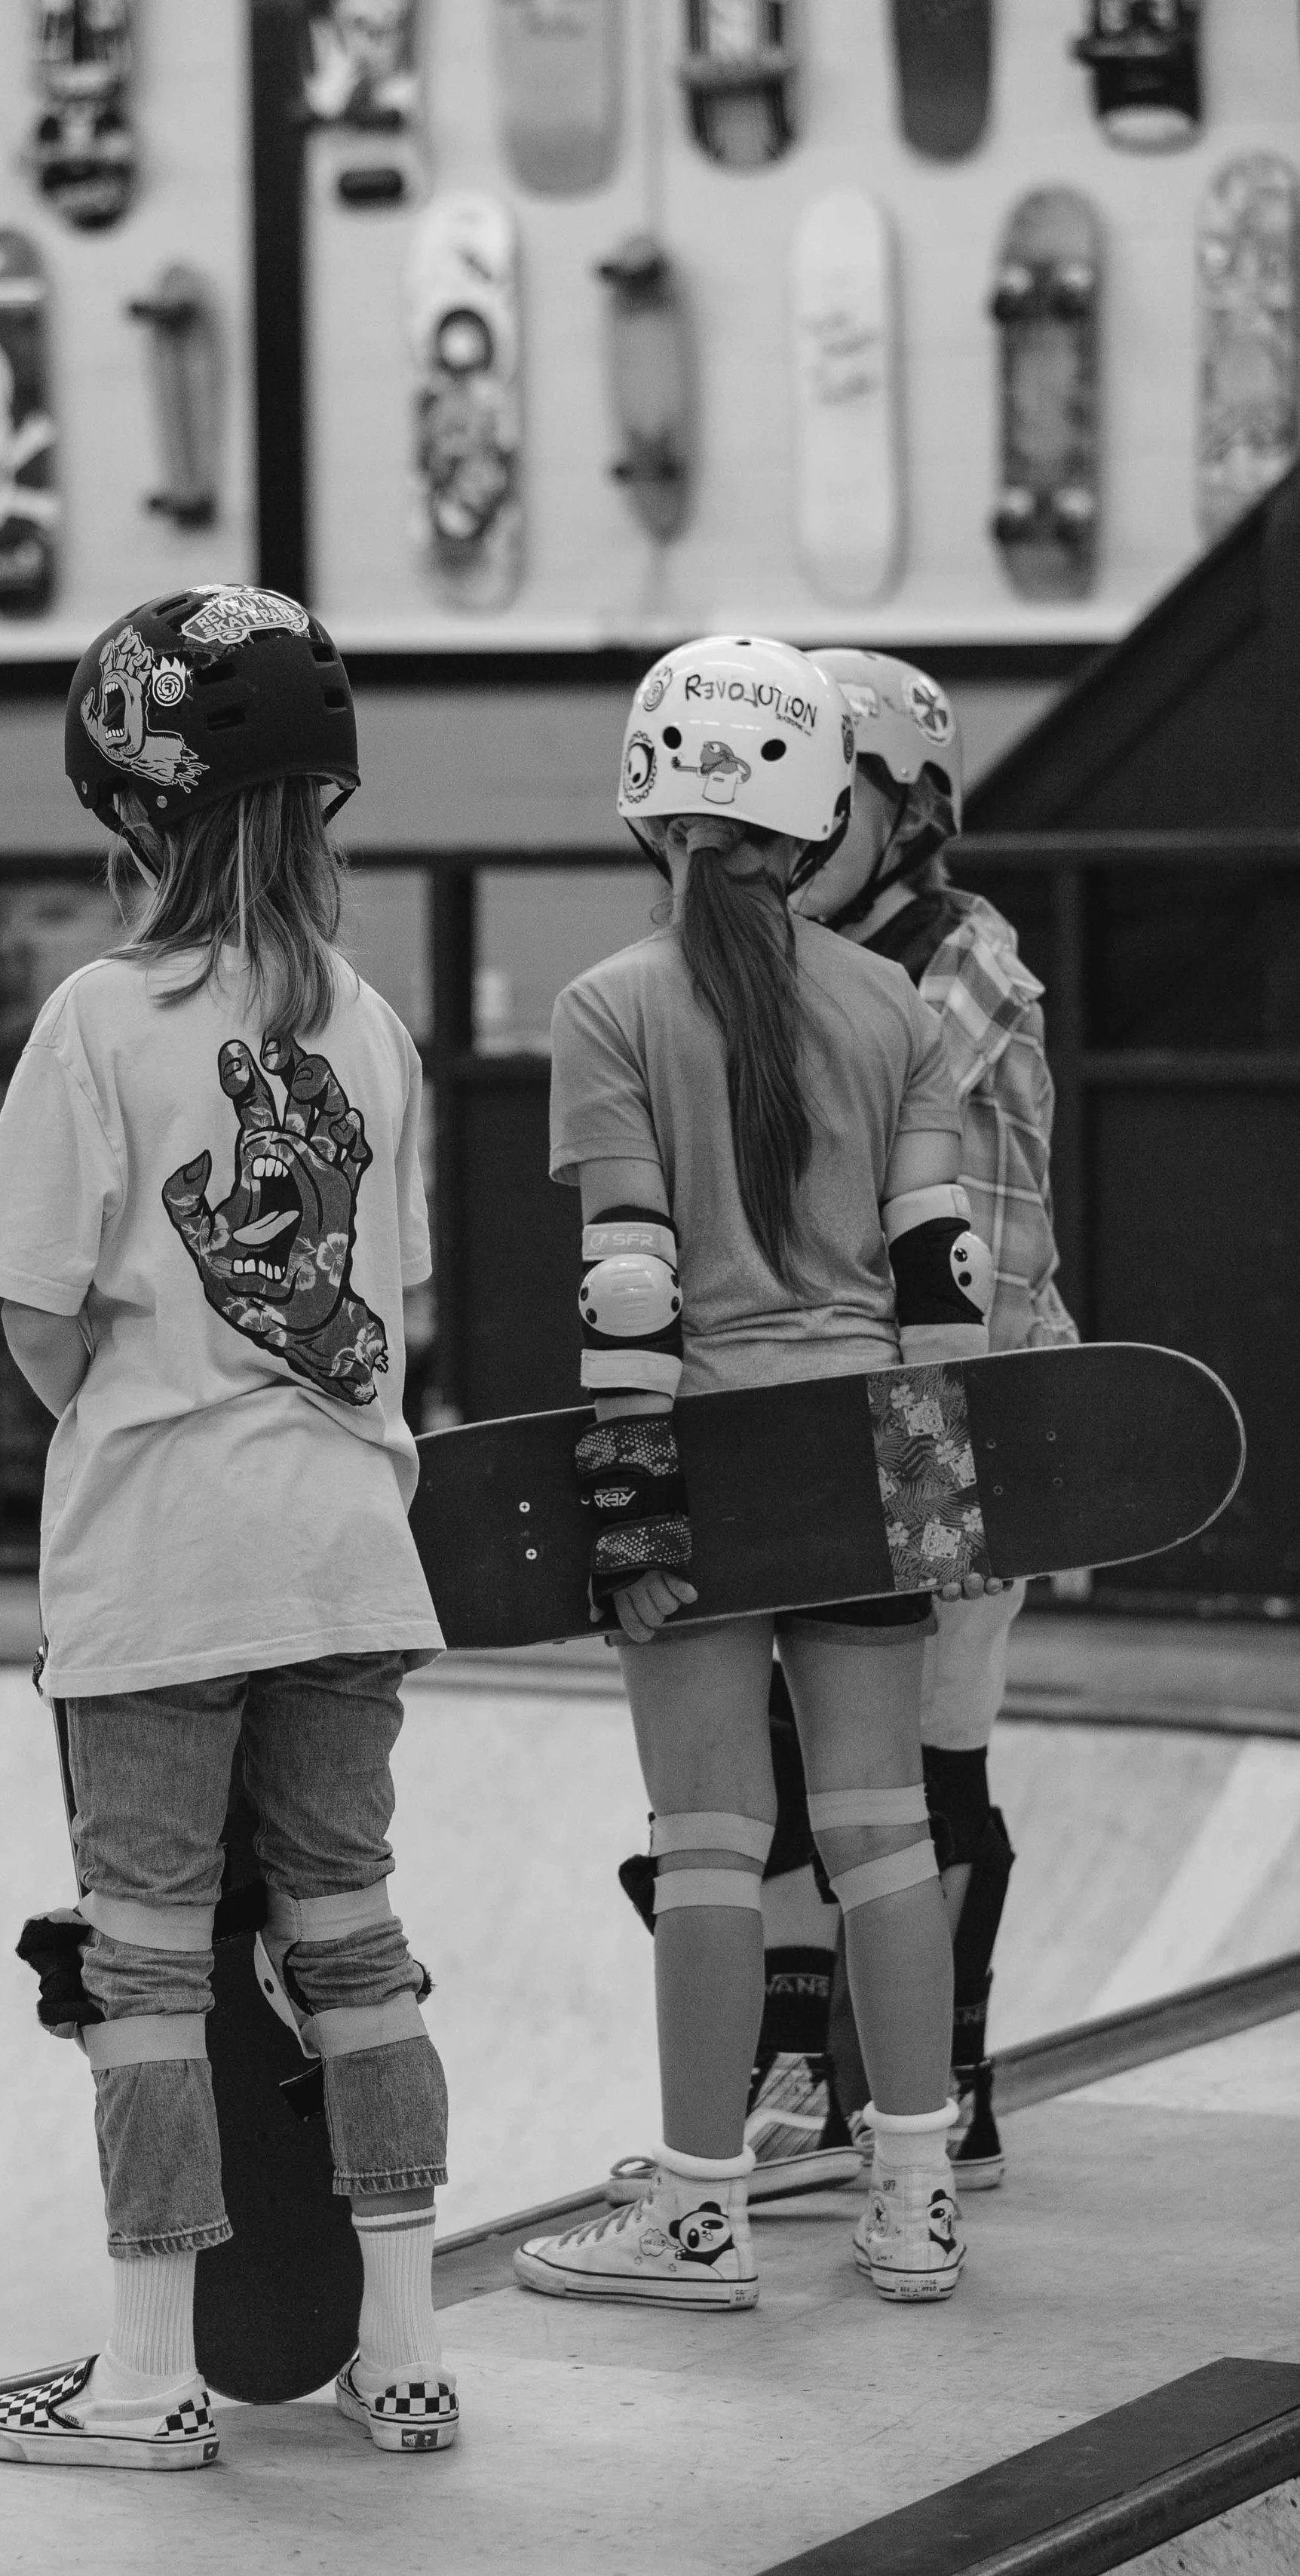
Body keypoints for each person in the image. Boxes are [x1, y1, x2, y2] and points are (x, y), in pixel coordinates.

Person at [0, 585, 455, 2470]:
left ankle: (148, 2379)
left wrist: (128, 1416)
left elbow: (30, 1309)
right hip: (345, 1548)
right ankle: (401, 2346)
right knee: (353, 1939)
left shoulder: (97, 1015)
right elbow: (387, 1303)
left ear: (134, 813)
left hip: (163, 1556)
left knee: (148, 1963)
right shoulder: (375, 1028)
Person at [514, 637, 995, 2313]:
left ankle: (701, 2214)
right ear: (810, 814)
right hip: (870, 1448)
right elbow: (941, 1276)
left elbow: (627, 1279)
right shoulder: (894, 1007)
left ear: (651, 805)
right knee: (879, 1831)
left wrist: (631, 1499)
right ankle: (916, 2201)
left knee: (711, 1841)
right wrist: (933, 1490)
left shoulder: (607, 1006)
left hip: (699, 1448)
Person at [614, 652, 1075, 2213]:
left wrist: (945, 1494)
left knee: (913, 1777)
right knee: (831, 1784)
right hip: (863, 1431)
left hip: (938, 1432)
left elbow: (978, 1266)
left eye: (836, 799)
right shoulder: (822, 970)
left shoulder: (942, 980)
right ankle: (835, 2105)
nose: (792, 839)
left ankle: (941, 2099)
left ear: (906, 807)